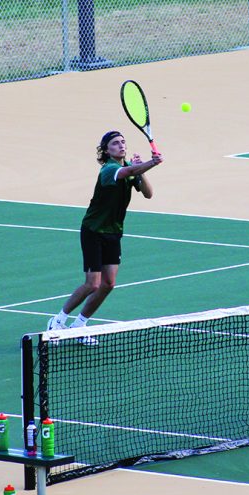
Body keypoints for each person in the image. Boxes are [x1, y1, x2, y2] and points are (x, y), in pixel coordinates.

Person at [46, 131, 163, 343]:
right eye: (115, 143)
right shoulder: (109, 170)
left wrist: (143, 171)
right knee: (92, 283)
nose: (121, 145)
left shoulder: (129, 168)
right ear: (107, 150)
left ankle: (79, 325)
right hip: (94, 231)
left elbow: (148, 193)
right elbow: (127, 171)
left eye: (123, 142)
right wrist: (150, 164)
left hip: (114, 232)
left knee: (108, 284)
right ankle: (58, 320)